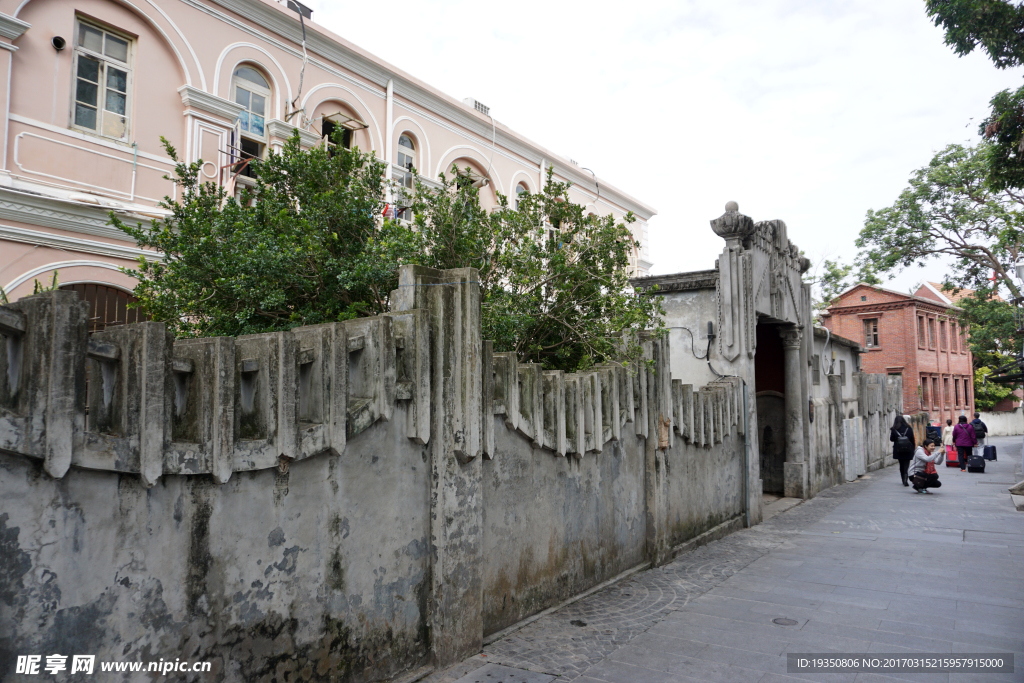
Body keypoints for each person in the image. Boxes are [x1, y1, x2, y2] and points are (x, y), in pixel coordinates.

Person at [890, 415, 916, 487]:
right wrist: (913, 449)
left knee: (901, 464)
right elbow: (912, 439)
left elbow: (891, 439)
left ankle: (903, 479)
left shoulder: (894, 429)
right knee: (906, 465)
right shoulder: (909, 428)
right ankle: (905, 478)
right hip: (908, 449)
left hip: (898, 450)